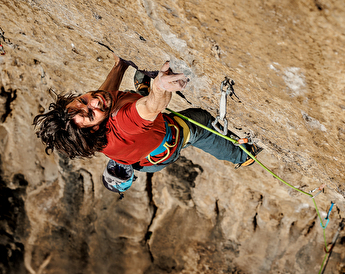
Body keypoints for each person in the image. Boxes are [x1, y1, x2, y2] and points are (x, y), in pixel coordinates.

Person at [33, 55, 262, 197]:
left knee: (124, 100)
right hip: (164, 146)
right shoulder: (123, 123)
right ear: (94, 128)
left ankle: (141, 91)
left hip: (141, 158)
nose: (93, 102)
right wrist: (159, 88)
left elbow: (105, 95)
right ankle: (242, 156)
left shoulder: (96, 115)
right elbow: (151, 108)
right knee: (198, 122)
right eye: (91, 113)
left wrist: (120, 65)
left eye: (82, 101)